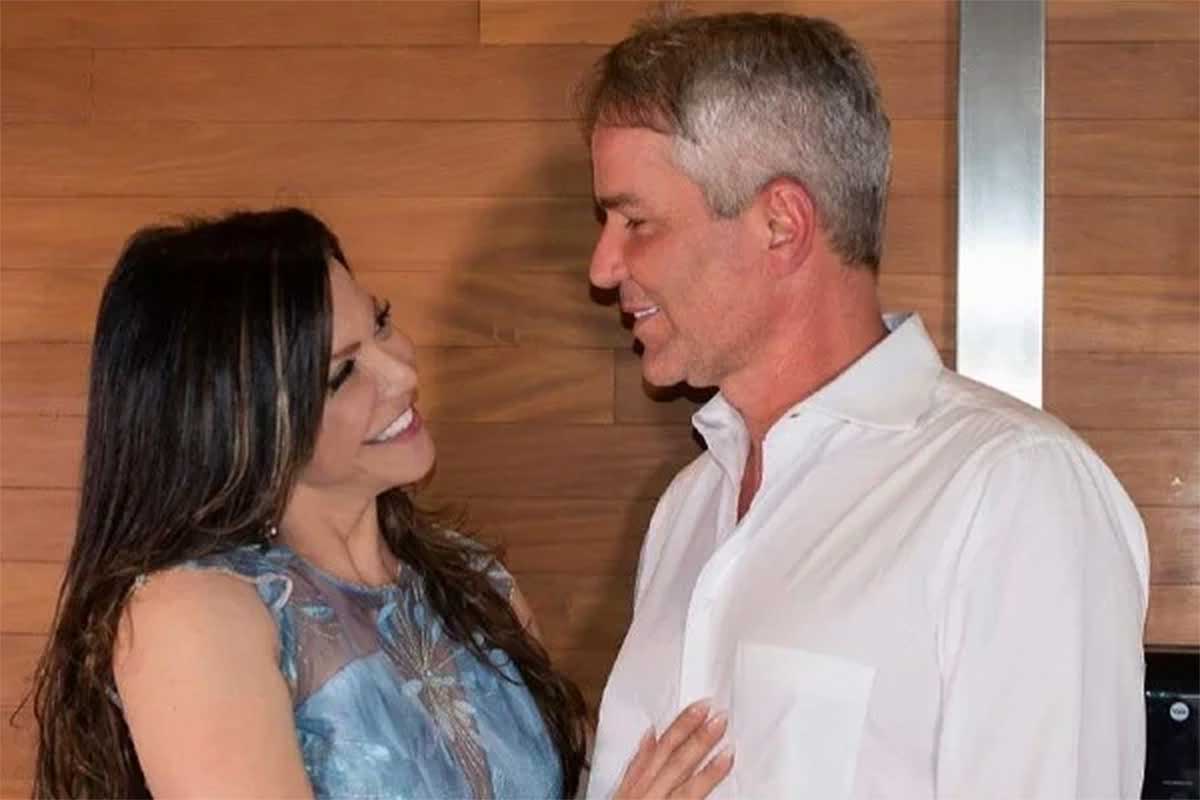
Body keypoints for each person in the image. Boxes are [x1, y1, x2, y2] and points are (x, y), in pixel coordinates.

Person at [579, 12, 1149, 799]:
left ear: (782, 224)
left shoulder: (1012, 493)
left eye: (636, 221)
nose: (604, 266)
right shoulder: (689, 505)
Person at [29, 208, 731, 799]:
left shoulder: (472, 580)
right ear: (238, 422)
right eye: (343, 374)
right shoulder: (194, 612)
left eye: (383, 323)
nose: (399, 374)